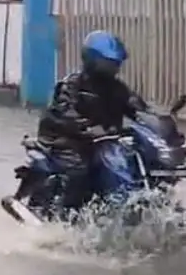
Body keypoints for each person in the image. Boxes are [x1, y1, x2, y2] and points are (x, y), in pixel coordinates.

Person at [37, 30, 148, 214]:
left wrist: (158, 122)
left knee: (140, 162)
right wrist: (86, 128)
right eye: (108, 63)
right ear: (92, 60)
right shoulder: (72, 84)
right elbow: (64, 111)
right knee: (79, 171)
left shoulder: (117, 88)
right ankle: (67, 216)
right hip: (71, 142)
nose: (114, 68)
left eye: (115, 63)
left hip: (105, 144)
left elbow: (137, 108)